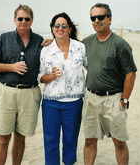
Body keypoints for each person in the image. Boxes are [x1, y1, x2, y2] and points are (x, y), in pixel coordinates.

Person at [0, 4, 43, 165]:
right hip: (6, 92)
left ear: (32, 20)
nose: (23, 21)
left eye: (27, 19)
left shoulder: (40, 41)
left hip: (30, 94)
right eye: (20, 18)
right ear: (14, 20)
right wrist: (11, 67)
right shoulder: (4, 38)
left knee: (20, 137)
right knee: (3, 138)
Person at [82, 3, 137, 165]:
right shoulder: (87, 42)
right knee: (89, 141)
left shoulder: (120, 44)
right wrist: (53, 41)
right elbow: (69, 48)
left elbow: (131, 74)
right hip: (91, 98)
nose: (96, 20)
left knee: (119, 142)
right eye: (93, 18)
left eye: (100, 17)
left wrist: (124, 100)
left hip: (114, 99)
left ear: (109, 19)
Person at [38, 12, 87, 165]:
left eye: (64, 25)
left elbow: (92, 67)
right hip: (51, 103)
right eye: (57, 26)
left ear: (70, 28)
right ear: (52, 29)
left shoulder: (80, 47)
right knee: (51, 141)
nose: (60, 28)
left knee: (70, 140)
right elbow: (40, 76)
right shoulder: (46, 50)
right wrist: (51, 76)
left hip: (74, 103)